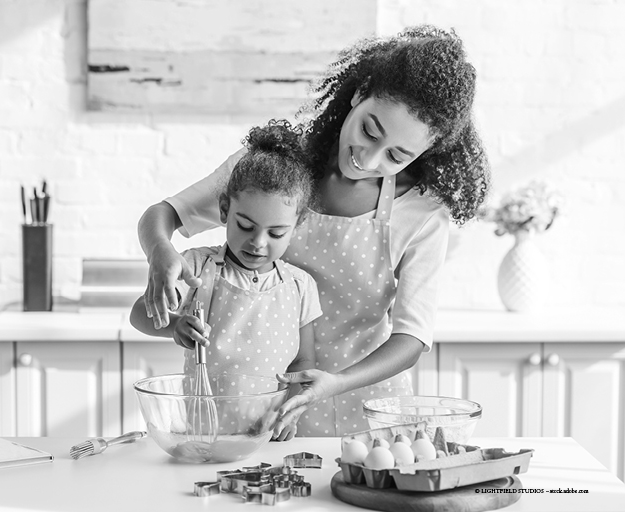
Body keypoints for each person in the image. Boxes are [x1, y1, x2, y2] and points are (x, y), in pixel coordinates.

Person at [136, 25, 490, 437]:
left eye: (396, 155)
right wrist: (160, 251)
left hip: (370, 411)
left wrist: (335, 383)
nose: (368, 158)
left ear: (424, 152)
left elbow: (412, 337)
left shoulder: (422, 212)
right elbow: (163, 215)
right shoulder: (272, 170)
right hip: (262, 409)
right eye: (369, 131)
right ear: (359, 94)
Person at [130, 120, 323, 441]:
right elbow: (139, 314)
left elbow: (303, 362)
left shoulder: (301, 286)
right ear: (224, 211)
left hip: (268, 438)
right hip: (203, 436)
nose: (258, 242)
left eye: (276, 233)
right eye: (245, 226)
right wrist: (174, 324)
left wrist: (291, 411)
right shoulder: (197, 267)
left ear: (297, 224)